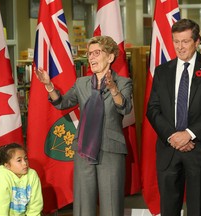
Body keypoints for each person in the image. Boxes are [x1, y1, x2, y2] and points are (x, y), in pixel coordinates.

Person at [35, 35, 133, 216]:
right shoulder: (82, 83)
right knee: (83, 204)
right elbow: (62, 103)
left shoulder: (123, 82)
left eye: (97, 53)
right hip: (84, 148)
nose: (92, 58)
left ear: (110, 57)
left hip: (110, 149)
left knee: (111, 204)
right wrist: (49, 86)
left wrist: (113, 89)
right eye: (89, 54)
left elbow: (124, 108)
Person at [146, 18, 201, 216]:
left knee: (198, 208)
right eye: (176, 41)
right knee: (169, 210)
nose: (180, 47)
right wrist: (174, 136)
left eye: (185, 41)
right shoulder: (163, 71)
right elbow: (153, 109)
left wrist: (189, 134)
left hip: (199, 148)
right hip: (169, 148)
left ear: (197, 41)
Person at [0, 143, 43, 216]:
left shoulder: (32, 174)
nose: (25, 163)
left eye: (25, 158)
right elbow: (1, 209)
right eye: (19, 160)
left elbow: (35, 204)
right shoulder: (3, 177)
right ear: (7, 166)